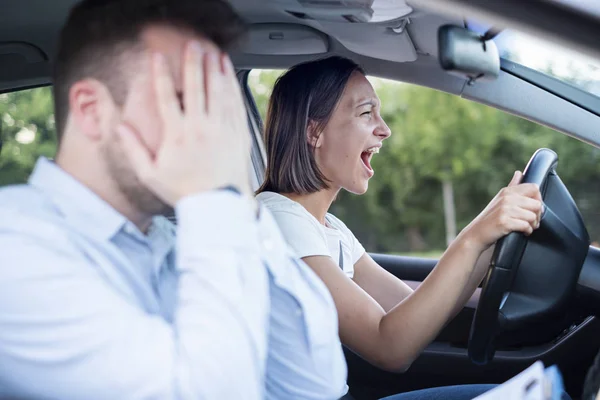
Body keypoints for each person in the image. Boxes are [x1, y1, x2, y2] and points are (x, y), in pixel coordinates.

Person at [0, 1, 347, 399]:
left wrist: (241, 205)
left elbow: (315, 385)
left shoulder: (176, 239)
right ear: (92, 110)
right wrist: (213, 201)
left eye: (217, 109)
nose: (211, 132)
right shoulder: (15, 249)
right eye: (186, 102)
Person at [256, 56, 545, 400]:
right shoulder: (277, 221)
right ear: (314, 132)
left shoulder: (329, 228)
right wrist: (473, 237)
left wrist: (491, 240)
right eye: (366, 113)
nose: (384, 129)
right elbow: (390, 346)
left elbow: (412, 309)